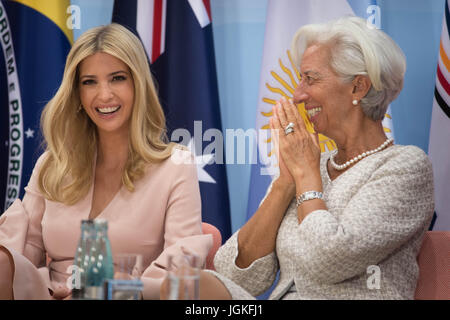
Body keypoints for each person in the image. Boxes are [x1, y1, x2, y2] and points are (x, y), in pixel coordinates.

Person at [193, 16, 435, 300]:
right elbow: (233, 276)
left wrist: (306, 179)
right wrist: (285, 183)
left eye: (310, 79)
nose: (297, 95)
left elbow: (330, 260)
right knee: (193, 287)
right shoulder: (307, 163)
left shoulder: (405, 167)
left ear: (358, 87)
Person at [0, 23, 212, 300]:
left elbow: (180, 275)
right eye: (90, 82)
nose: (104, 95)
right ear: (76, 93)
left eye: (117, 78)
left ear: (138, 84)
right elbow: (19, 255)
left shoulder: (175, 166)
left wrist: (109, 291)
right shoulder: (53, 164)